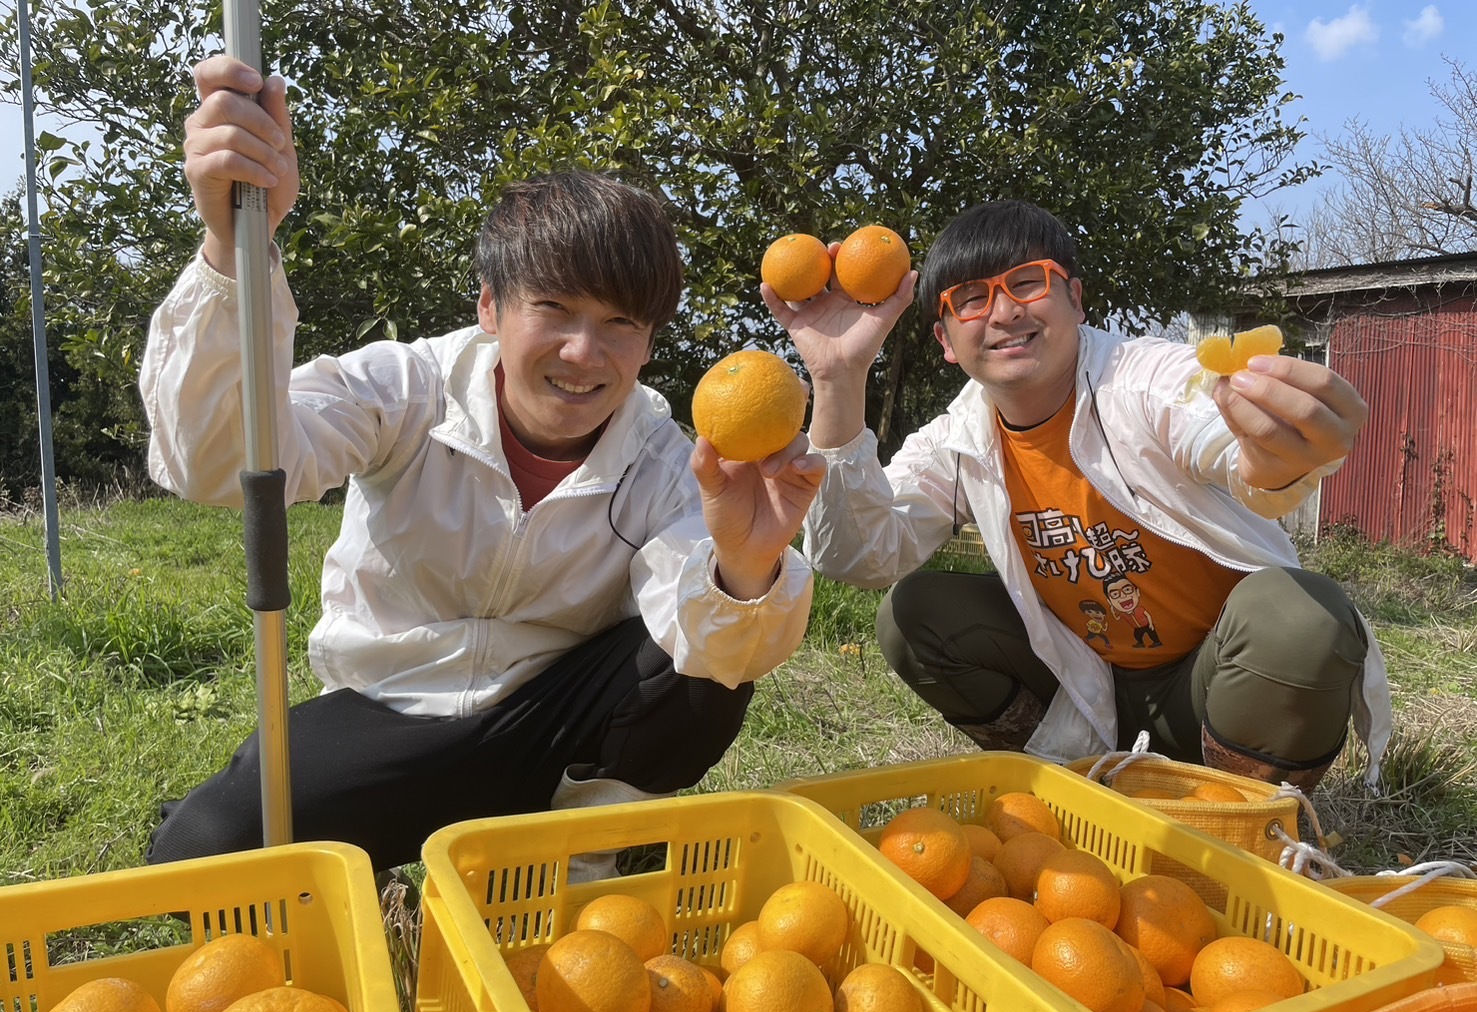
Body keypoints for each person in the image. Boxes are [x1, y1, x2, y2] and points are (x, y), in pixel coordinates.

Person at [139, 57, 824, 877]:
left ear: (647, 341)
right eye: (554, 309)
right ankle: (396, 846)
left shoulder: (668, 461)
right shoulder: (406, 388)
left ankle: (578, 854)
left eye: (619, 324)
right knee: (200, 857)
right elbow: (221, 465)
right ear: (491, 308)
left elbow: (722, 648)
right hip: (390, 709)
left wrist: (745, 570)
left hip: (550, 718)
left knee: (700, 672)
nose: (584, 353)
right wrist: (229, 245)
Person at [765, 198, 1391, 789]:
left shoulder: (1141, 380)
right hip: (1088, 684)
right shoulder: (958, 439)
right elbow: (862, 557)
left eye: (1028, 282)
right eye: (972, 299)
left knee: (1301, 615)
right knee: (914, 615)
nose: (1005, 312)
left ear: (1076, 299)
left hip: (1215, 683)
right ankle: (1068, 779)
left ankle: (1237, 813)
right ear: (947, 343)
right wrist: (838, 377)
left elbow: (1215, 431)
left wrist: (1270, 454)